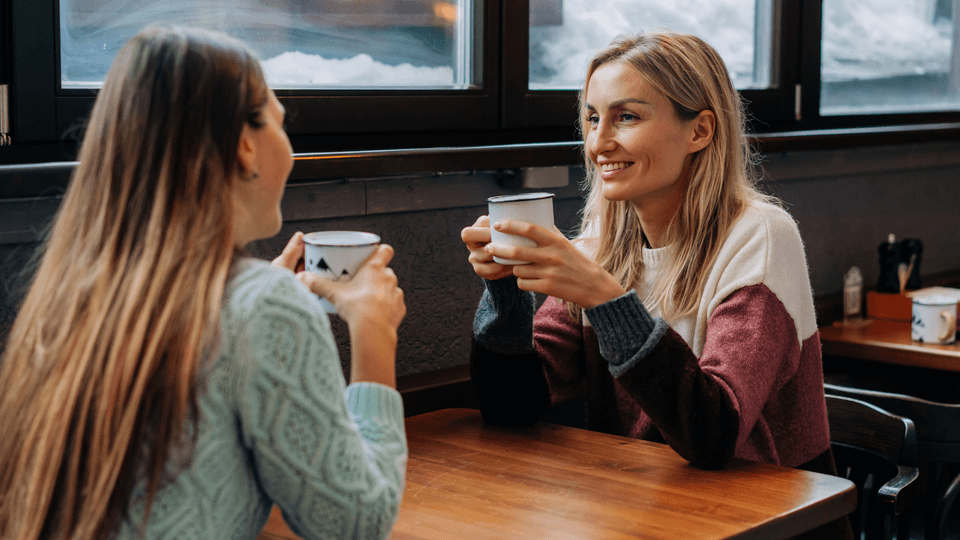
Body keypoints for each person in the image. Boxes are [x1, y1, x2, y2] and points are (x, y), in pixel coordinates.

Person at [0, 27, 407, 540]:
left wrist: (260, 322)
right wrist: (374, 333)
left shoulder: (68, 293)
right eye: (282, 123)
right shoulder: (264, 306)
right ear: (244, 146)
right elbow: (355, 521)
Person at [462, 30, 852, 539]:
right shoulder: (601, 245)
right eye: (592, 118)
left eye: (627, 117)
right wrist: (507, 291)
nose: (599, 143)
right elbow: (512, 406)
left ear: (701, 131)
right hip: (644, 515)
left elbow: (713, 433)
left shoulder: (761, 237)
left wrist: (604, 298)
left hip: (770, 526)